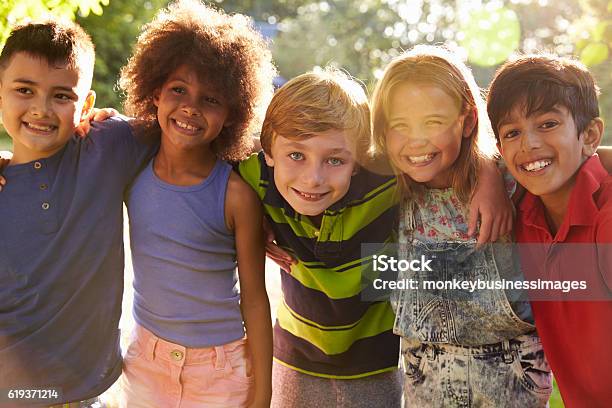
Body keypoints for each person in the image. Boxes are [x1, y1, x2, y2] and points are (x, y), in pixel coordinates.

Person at [237, 66, 513, 407]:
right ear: (269, 154)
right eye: (296, 155)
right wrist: (249, 220)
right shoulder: (254, 178)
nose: (313, 178)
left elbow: (439, 157)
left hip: (376, 366)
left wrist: (488, 170)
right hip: (294, 359)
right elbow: (214, 157)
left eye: (335, 160)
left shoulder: (384, 180)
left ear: (358, 160)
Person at [371, 45, 551, 407]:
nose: (416, 140)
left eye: (433, 122)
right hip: (426, 375)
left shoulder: (512, 176)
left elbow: (588, 158)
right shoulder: (385, 181)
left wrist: (488, 166)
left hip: (512, 374)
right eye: (399, 125)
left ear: (468, 121)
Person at [116, 1, 276, 406]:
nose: (190, 107)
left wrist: (262, 392)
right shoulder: (131, 164)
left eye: (211, 100)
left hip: (218, 372)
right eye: (179, 90)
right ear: (154, 92)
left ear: (233, 114)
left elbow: (255, 298)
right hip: (146, 362)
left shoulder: (236, 196)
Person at [0, 20, 155, 407]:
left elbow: (190, 130)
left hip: (87, 393)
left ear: (85, 105)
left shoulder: (109, 147)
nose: (41, 109)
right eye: (24, 90)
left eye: (62, 96)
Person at [488, 54, 612, 406]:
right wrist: (488, 178)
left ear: (589, 135)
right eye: (513, 132)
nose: (528, 144)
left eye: (547, 124)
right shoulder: (520, 212)